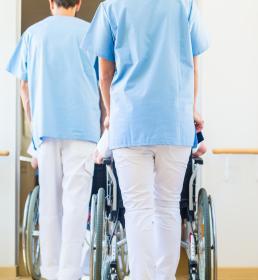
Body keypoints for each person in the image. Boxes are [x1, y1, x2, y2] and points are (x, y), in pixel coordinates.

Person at [81, 0, 209, 278]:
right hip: (174, 122)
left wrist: (110, 114)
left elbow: (105, 74)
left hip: (130, 123)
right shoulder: (184, 5)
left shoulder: (112, 7)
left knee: (138, 209)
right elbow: (194, 68)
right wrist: (191, 108)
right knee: (167, 205)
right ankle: (164, 276)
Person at [6, 0, 100, 279]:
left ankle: (50, 271)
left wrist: (34, 123)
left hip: (46, 129)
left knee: (49, 204)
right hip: (83, 130)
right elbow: (103, 79)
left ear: (50, 3)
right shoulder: (90, 33)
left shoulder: (33, 34)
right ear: (79, 4)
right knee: (75, 204)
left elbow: (24, 86)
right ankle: (69, 274)